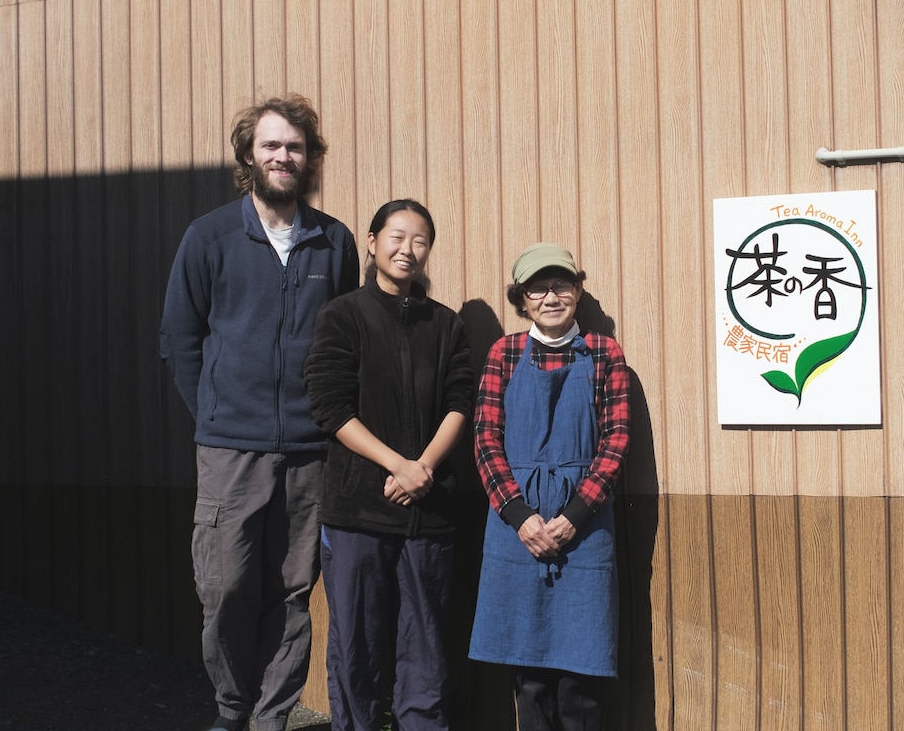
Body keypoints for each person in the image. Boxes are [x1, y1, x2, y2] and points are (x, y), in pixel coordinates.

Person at [160, 94, 359, 731]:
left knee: (293, 592)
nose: (283, 156)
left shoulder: (335, 242)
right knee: (225, 588)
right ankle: (231, 711)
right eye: (271, 145)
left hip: (309, 452)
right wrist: (214, 413)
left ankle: (272, 718)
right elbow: (179, 339)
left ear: (310, 158)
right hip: (229, 450)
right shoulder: (209, 237)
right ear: (249, 154)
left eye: (295, 147)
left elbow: (343, 346)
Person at [303, 199, 474, 731]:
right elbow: (330, 407)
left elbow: (460, 401)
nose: (407, 248)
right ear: (372, 243)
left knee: (425, 648)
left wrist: (422, 467)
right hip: (358, 510)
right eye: (396, 236)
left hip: (430, 512)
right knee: (356, 644)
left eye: (419, 240)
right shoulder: (343, 315)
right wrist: (396, 464)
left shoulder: (445, 326)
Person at [469, 243, 631, 731]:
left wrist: (574, 516)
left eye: (561, 284)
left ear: (578, 290)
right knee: (530, 675)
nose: (551, 296)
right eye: (538, 287)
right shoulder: (505, 352)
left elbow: (616, 441)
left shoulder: (605, 353)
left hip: (584, 530)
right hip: (515, 527)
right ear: (523, 298)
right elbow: (485, 439)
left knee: (582, 679)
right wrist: (520, 517)